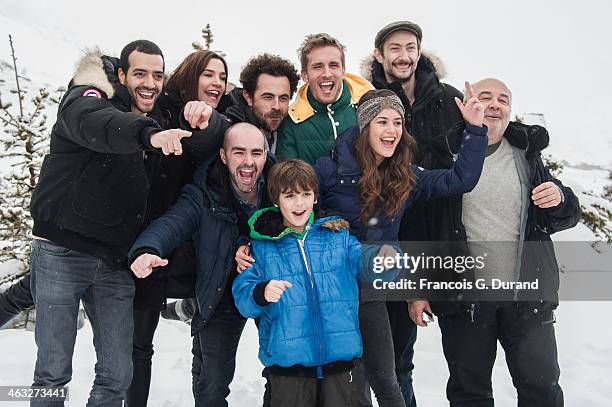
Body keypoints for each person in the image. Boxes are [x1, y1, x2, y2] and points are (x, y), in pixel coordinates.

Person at [28, 40, 192, 405]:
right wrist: (147, 135)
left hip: (115, 264)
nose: (149, 82)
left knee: (117, 375)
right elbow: (100, 123)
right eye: (139, 73)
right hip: (61, 252)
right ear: (120, 74)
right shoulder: (89, 98)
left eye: (157, 74)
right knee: (52, 373)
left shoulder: (163, 117)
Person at [409, 78, 580, 407]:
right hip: (465, 300)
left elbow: (564, 214)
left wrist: (559, 199)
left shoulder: (526, 155)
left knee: (542, 391)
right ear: (468, 103)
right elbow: (421, 225)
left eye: (503, 99)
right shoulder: (445, 154)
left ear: (510, 110)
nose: (495, 104)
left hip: (527, 297)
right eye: (485, 96)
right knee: (469, 394)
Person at [313, 88, 487, 407]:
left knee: (386, 379)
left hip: (373, 292)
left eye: (398, 122)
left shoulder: (405, 176)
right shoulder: (329, 170)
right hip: (333, 293)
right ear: (365, 126)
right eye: (382, 121)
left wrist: (475, 130)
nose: (392, 131)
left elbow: (460, 180)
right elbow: (306, 222)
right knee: (343, 381)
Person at [129, 122, 274, 406]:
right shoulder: (203, 191)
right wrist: (146, 249)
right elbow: (172, 223)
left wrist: (252, 244)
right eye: (239, 152)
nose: (248, 162)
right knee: (213, 381)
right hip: (220, 293)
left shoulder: (277, 186)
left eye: (256, 153)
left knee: (283, 370)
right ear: (223, 155)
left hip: (268, 289)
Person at [362, 21, 466, 405]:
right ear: (379, 55)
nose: (403, 55)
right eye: (394, 48)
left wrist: (530, 136)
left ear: (419, 52)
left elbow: (485, 134)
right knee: (374, 358)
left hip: (438, 238)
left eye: (410, 47)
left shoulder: (447, 99)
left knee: (414, 361)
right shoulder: (368, 100)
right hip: (382, 241)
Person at [232, 159, 384, 407]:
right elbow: (243, 299)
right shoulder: (261, 247)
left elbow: (363, 261)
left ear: (315, 197)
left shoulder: (338, 236)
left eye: (306, 194)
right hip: (290, 369)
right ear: (276, 200)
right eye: (290, 196)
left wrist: (380, 260)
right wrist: (261, 292)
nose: (299, 203)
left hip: (343, 367)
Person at [126, 49, 230, 407]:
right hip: (129, 234)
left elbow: (224, 130)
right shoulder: (159, 108)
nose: (216, 82)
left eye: (222, 76)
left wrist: (208, 120)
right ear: (188, 75)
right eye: (208, 74)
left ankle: (185, 306)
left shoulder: (219, 118)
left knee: (141, 344)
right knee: (135, 344)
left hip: (166, 240)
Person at [276, 33, 373, 164]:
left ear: (343, 70)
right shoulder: (291, 122)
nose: (327, 74)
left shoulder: (368, 106)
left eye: (333, 65)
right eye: (318, 67)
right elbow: (287, 178)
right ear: (305, 75)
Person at [182, 53, 300, 157]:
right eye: (268, 97)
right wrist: (205, 117)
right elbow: (219, 127)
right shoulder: (235, 121)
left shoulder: (292, 125)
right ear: (248, 97)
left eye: (283, 98)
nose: (277, 106)